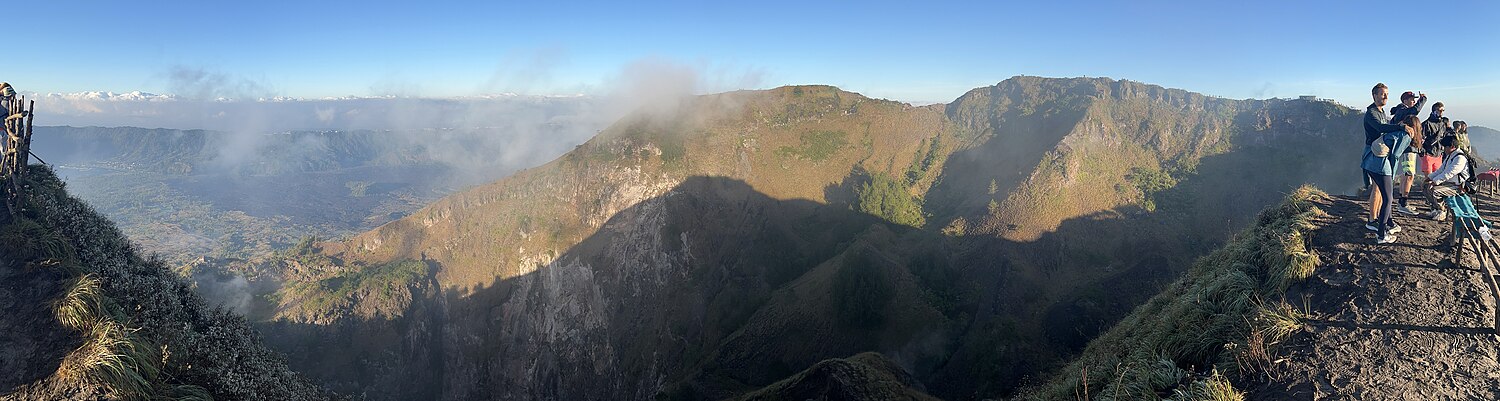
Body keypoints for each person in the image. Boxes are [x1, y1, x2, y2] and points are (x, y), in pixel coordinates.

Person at [1364, 115, 1417, 244]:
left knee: (1385, 196)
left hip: (1370, 161)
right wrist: (1391, 175)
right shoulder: (1406, 135)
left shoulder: (1394, 130)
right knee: (1388, 199)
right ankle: (1382, 235)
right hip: (1381, 166)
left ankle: (1387, 224)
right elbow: (1395, 155)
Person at [1363, 83, 1407, 193]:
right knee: (1377, 188)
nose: (1386, 97)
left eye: (1387, 94)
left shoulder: (1381, 111)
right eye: (1383, 94)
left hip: (1381, 151)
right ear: (1374, 96)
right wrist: (1400, 127)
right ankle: (1375, 211)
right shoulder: (1371, 113)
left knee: (1378, 187)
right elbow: (1380, 127)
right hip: (1373, 152)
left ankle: (1378, 211)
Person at [1390, 91, 1427, 215]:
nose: (1414, 101)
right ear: (1404, 100)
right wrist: (1423, 99)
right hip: (1408, 149)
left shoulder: (1401, 111)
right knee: (1409, 175)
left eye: (1414, 99)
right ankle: (1403, 204)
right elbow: (1416, 110)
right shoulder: (1403, 111)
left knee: (1406, 174)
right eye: (1411, 99)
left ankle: (1402, 201)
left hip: (1408, 149)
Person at [1424, 135, 1470, 222]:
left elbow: (1449, 173)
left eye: (1445, 147)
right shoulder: (1450, 155)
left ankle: (1442, 211)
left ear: (1452, 147)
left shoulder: (1460, 158)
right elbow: (1441, 170)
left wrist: (1435, 181)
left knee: (1434, 190)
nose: (1444, 149)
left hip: (1457, 186)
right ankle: (1435, 209)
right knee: (1425, 186)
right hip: (1449, 183)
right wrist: (1429, 178)